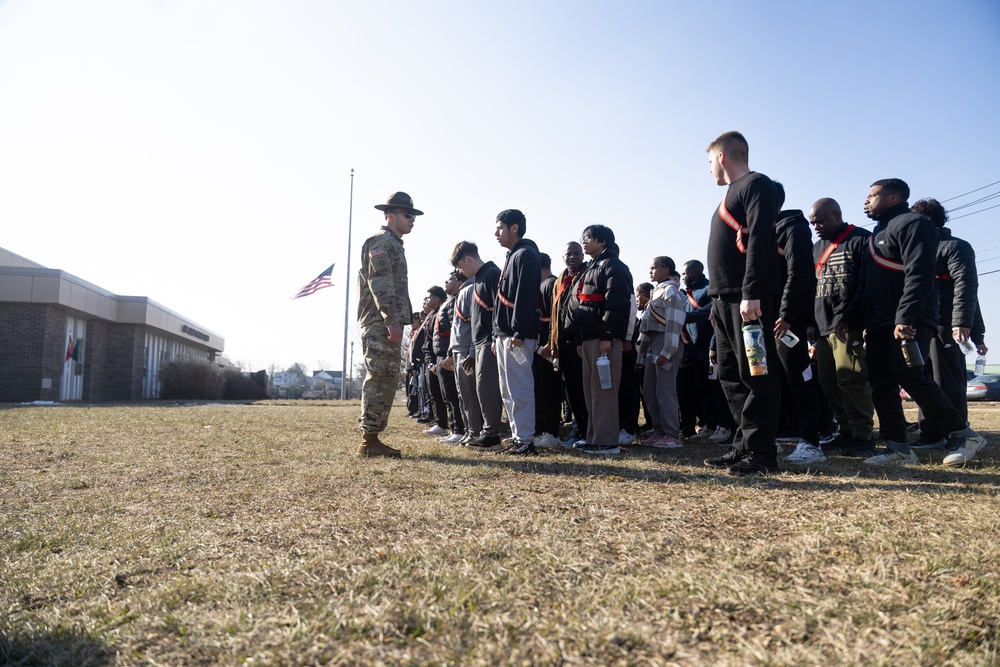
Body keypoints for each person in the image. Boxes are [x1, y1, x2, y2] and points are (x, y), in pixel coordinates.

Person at [839, 179, 986, 465]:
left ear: (894, 197)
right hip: (880, 323)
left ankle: (964, 434)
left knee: (911, 376)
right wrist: (851, 317)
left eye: (872, 195)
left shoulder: (914, 225)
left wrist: (905, 317)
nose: (865, 201)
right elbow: (865, 283)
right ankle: (898, 448)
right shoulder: (875, 234)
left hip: (911, 321)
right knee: (881, 382)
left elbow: (919, 275)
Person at [702, 131, 783, 475]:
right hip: (723, 302)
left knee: (758, 374)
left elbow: (760, 240)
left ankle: (762, 454)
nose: (709, 170)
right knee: (731, 376)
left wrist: (751, 292)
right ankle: (743, 446)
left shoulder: (756, 185)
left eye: (709, 163)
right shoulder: (729, 194)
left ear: (722, 157)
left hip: (746, 299)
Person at [910, 198, 981, 463]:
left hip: (945, 323)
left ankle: (957, 434)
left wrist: (962, 322)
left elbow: (966, 284)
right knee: (922, 378)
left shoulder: (954, 247)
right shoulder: (915, 248)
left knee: (947, 380)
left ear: (926, 221)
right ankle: (930, 433)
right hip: (919, 322)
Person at [808, 197, 875, 455]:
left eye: (820, 221)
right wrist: (811, 323)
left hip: (850, 325)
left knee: (852, 379)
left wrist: (854, 317)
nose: (816, 227)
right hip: (823, 326)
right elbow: (812, 287)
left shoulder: (860, 239)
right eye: (813, 223)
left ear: (836, 214)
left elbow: (865, 283)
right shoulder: (816, 248)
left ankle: (863, 435)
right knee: (828, 381)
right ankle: (845, 430)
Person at [357, 191, 421, 458]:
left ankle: (372, 438)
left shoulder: (394, 243)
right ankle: (368, 441)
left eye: (414, 215)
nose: (412, 220)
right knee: (379, 376)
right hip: (380, 323)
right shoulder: (380, 242)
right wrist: (391, 321)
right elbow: (381, 284)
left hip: (387, 323)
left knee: (386, 378)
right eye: (408, 215)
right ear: (390, 215)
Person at [772, 183, 825, 465]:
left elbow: (799, 274)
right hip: (764, 320)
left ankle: (811, 442)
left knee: (799, 378)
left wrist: (789, 315)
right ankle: (770, 437)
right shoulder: (762, 230)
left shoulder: (794, 228)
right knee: (770, 381)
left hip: (786, 321)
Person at [574, 224, 633, 455]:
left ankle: (607, 441)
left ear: (603, 241)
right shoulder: (592, 267)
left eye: (587, 238)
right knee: (592, 391)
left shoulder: (613, 265)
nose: (584, 241)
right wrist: (581, 339)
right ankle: (594, 437)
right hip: (589, 337)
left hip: (603, 338)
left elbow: (616, 303)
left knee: (604, 390)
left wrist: (608, 336)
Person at [493, 209, 542, 455]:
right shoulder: (512, 255)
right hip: (505, 334)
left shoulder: (526, 254)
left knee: (520, 386)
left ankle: (525, 439)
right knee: (508, 388)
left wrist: (519, 331)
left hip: (518, 335)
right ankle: (517, 436)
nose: (496, 233)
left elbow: (526, 296)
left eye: (500, 227)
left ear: (514, 228)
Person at [451, 241, 504, 451]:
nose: (462, 272)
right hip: (480, 342)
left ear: (468, 259)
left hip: (488, 341)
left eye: (461, 267)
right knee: (482, 389)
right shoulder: (481, 277)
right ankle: (487, 433)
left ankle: (491, 434)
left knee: (488, 388)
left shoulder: (491, 273)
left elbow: (497, 310)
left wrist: (494, 337)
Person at [677, 260, 732, 443]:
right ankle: (710, 424)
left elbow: (714, 316)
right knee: (703, 389)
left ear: (694, 272)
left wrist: (713, 345)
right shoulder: (687, 295)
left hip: (709, 348)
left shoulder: (710, 289)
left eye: (684, 274)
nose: (682, 277)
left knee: (717, 389)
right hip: (693, 348)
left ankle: (724, 426)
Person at [542, 241, 589, 445]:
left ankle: (585, 430)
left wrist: (580, 339)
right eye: (569, 254)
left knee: (582, 388)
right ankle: (578, 429)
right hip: (563, 342)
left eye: (576, 253)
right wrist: (551, 342)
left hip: (580, 341)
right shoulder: (561, 279)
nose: (573, 257)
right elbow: (557, 313)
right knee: (569, 389)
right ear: (563, 258)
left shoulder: (587, 274)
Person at [638, 256, 686, 448]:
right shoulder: (655, 292)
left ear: (666, 269)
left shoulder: (670, 290)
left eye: (654, 268)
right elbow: (646, 328)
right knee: (650, 391)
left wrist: (668, 351)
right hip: (653, 343)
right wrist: (642, 355)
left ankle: (672, 434)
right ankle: (659, 431)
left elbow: (675, 322)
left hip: (666, 342)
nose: (650, 271)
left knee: (665, 392)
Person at [433, 272, 467, 444]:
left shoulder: (456, 300)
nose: (446, 282)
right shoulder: (448, 301)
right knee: (447, 395)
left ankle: (460, 430)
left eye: (450, 279)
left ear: (460, 282)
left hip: (449, 354)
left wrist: (450, 354)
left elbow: (455, 329)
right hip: (441, 353)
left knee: (454, 395)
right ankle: (454, 429)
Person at [534, 253, 563, 447]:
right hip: (540, 347)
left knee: (549, 390)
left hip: (546, 348)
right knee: (541, 390)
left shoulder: (551, 284)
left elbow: (554, 318)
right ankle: (545, 429)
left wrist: (548, 344)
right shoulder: (545, 284)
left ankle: (551, 431)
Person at [450, 269, 482, 445]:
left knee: (470, 395)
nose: (455, 272)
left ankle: (475, 432)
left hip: (465, 350)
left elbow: (473, 324)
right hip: (457, 349)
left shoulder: (471, 289)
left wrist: (471, 351)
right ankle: (468, 431)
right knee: (462, 395)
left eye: (458, 268)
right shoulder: (462, 291)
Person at [420, 286, 450, 437]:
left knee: (444, 394)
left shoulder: (441, 313)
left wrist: (434, 360)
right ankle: (440, 422)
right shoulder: (431, 315)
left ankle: (446, 424)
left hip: (439, 358)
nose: (427, 300)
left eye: (430, 297)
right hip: (430, 359)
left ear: (437, 299)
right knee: (433, 393)